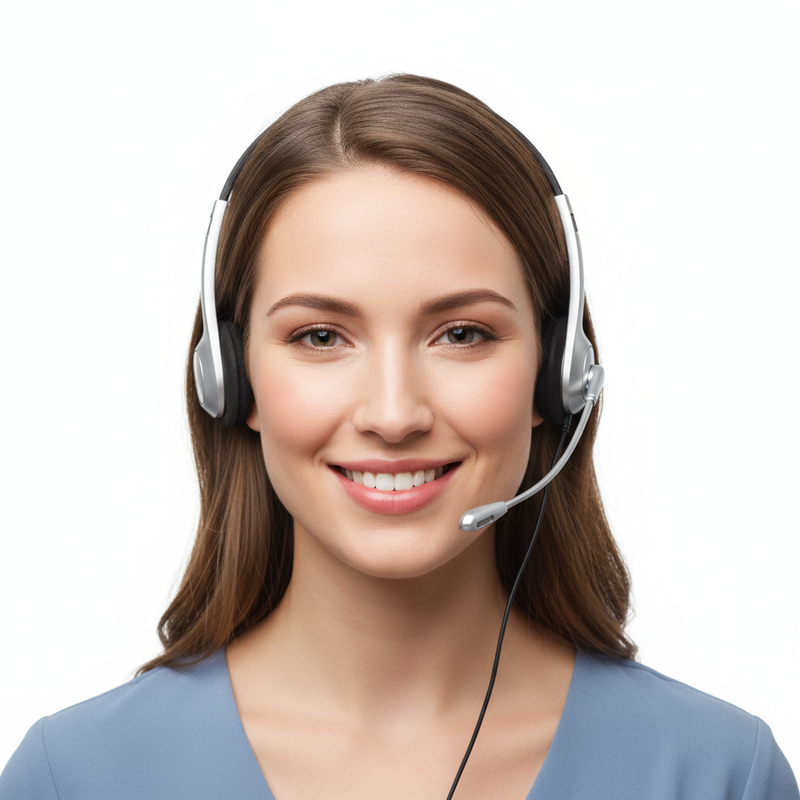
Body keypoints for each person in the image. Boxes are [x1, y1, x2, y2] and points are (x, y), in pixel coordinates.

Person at [1, 74, 797, 800]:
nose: (393, 413)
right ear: (230, 381)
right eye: (320, 337)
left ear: (559, 376)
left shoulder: (721, 772)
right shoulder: (73, 776)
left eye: (460, 334)